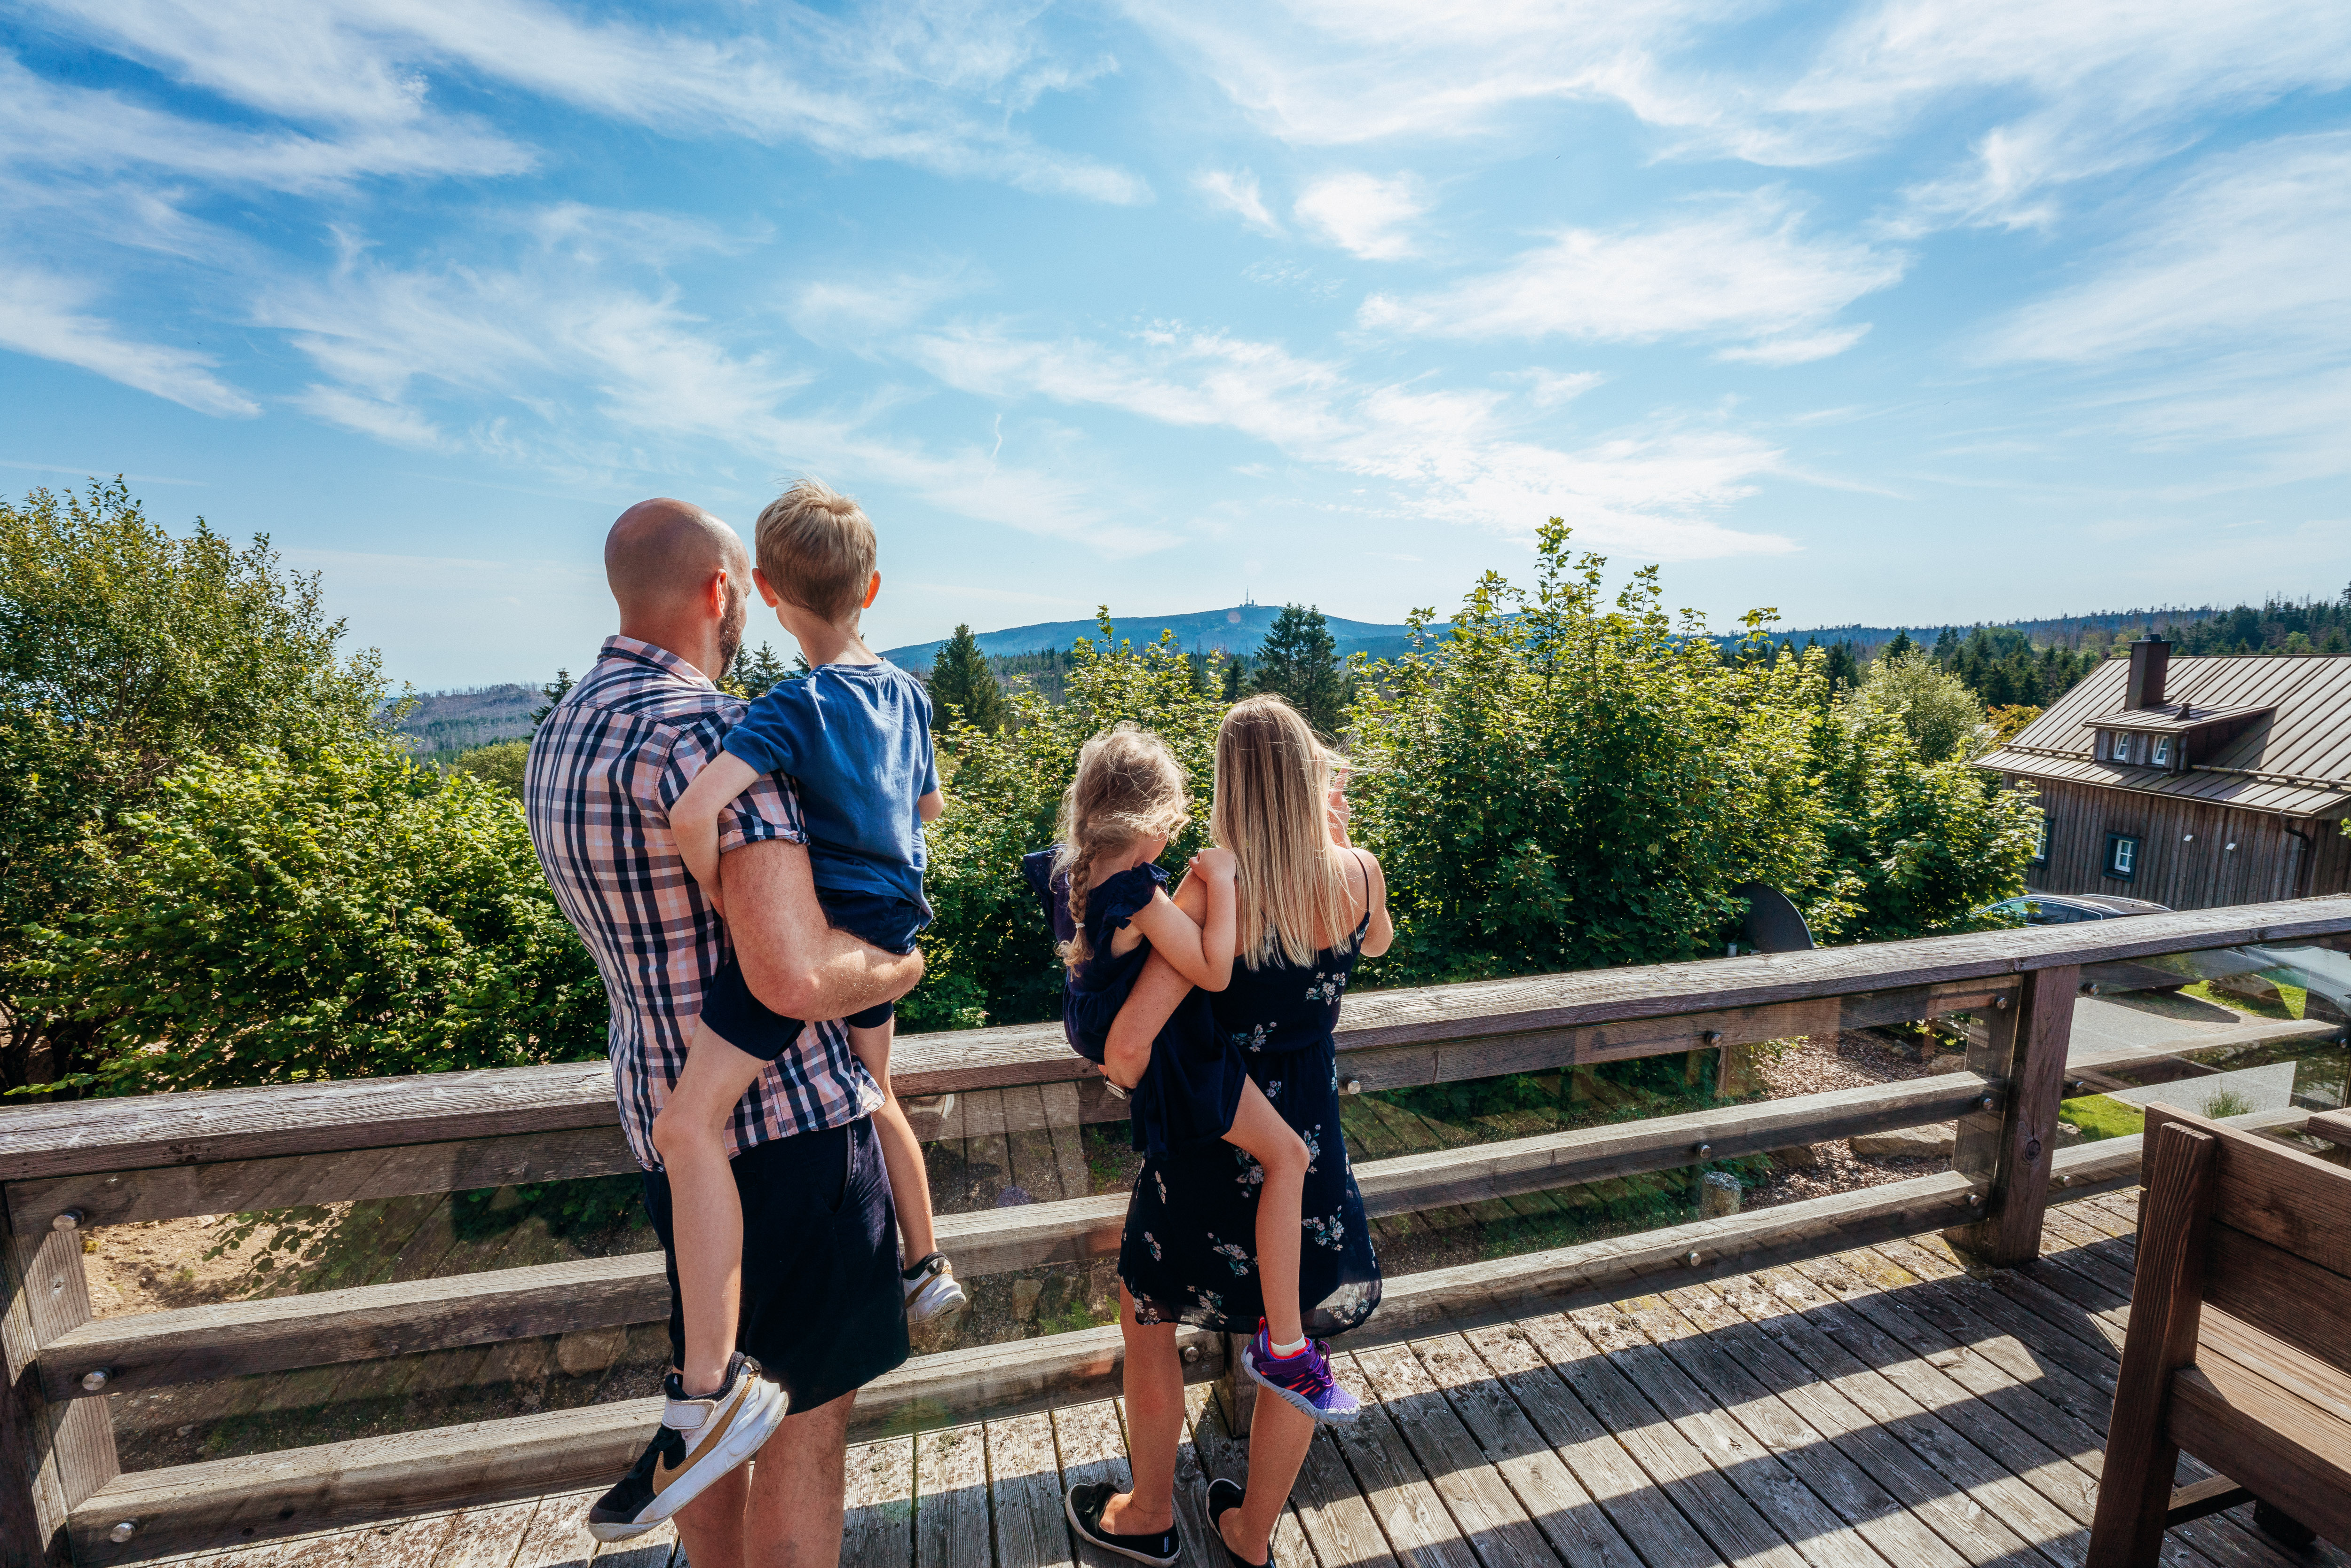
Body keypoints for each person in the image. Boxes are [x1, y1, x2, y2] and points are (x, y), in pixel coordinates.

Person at [525, 498, 922, 1564]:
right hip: (793, 1128)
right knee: (803, 1422)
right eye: (740, 586)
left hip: (670, 1120)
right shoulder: (709, 731)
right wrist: (900, 964)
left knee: (713, 1416)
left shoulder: (563, 731)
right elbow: (791, 975)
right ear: (717, 593)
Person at [1065, 696, 1392, 1568]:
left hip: (1212, 1147)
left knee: (1148, 1315)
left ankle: (1148, 1515)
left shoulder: (1212, 886)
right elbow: (1381, 940)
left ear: (1227, 784)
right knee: (1297, 1336)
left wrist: (1114, 1060)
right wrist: (1337, 831)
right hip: (1304, 1142)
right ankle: (1251, 1533)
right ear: (1309, 776)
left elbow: (1131, 1047)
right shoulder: (1359, 874)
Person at [667, 481, 965, 1417]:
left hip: (822, 939)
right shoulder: (908, 695)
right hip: (892, 930)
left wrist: (720, 889)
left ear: (763, 586)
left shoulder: (792, 708)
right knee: (874, 1094)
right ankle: (924, 1265)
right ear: (870, 589)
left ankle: (708, 1385)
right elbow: (930, 810)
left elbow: (693, 810)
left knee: (687, 1125)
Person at [1021, 723, 1339, 1420]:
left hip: (1121, 1039)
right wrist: (1220, 883)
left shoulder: (1077, 870)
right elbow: (1211, 968)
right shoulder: (1136, 891)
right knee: (1289, 1154)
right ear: (1153, 823)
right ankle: (1285, 1344)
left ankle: (1278, 1347)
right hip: (1178, 1061)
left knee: (1153, 1299)